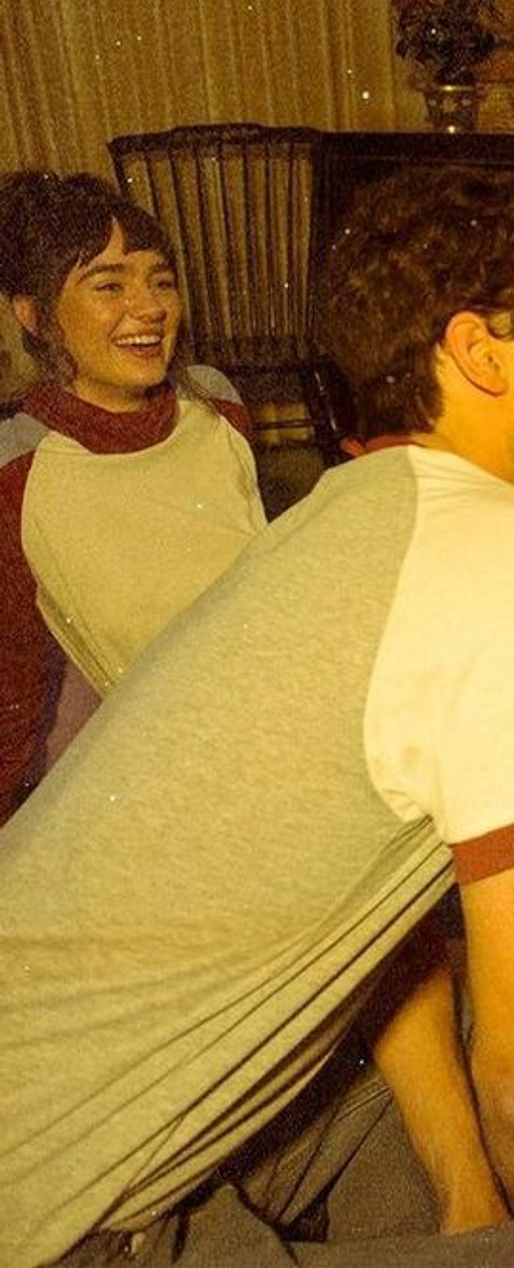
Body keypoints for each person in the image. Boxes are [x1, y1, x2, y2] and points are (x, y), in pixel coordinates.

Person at [0, 169, 514, 1266]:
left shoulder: (343, 506)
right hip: (64, 1225)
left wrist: (466, 1186)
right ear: (482, 353)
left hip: (85, 1096)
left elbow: (374, 906)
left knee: (494, 1003)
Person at [0, 171, 266, 823]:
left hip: (285, 710)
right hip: (182, 773)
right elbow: (14, 677)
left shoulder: (218, 408)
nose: (150, 308)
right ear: (33, 315)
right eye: (110, 286)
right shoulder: (20, 469)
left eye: (161, 281)